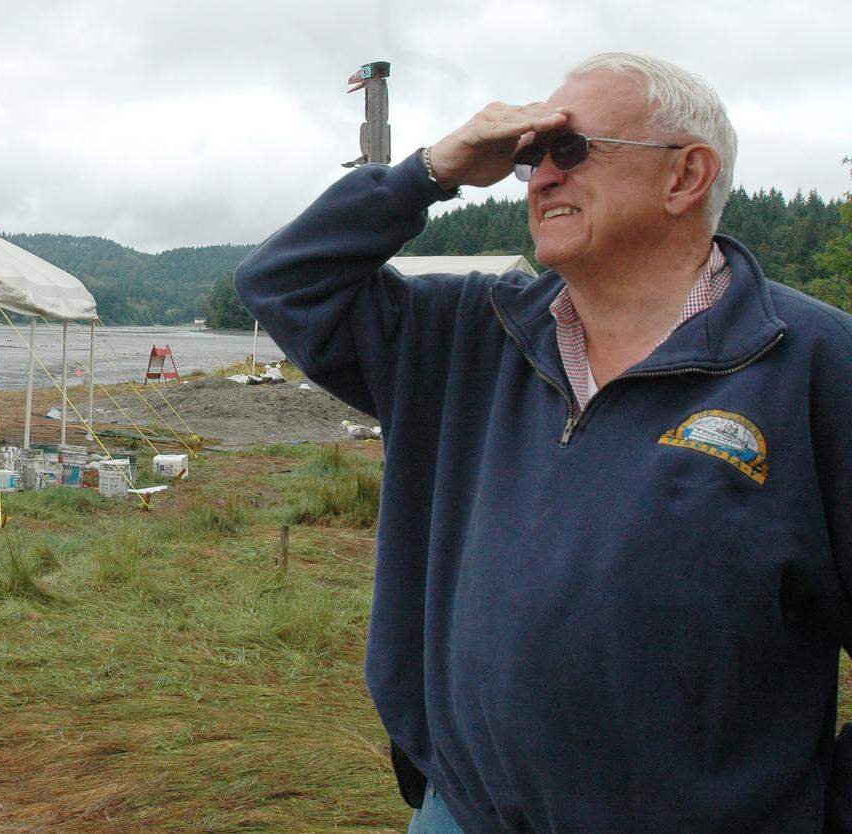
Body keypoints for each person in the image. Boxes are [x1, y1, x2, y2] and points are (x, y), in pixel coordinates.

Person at [234, 52, 852, 833]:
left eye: (570, 149)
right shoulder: (465, 334)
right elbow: (283, 284)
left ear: (686, 176)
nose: (540, 177)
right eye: (530, 157)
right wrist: (430, 171)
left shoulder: (815, 367)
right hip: (461, 812)